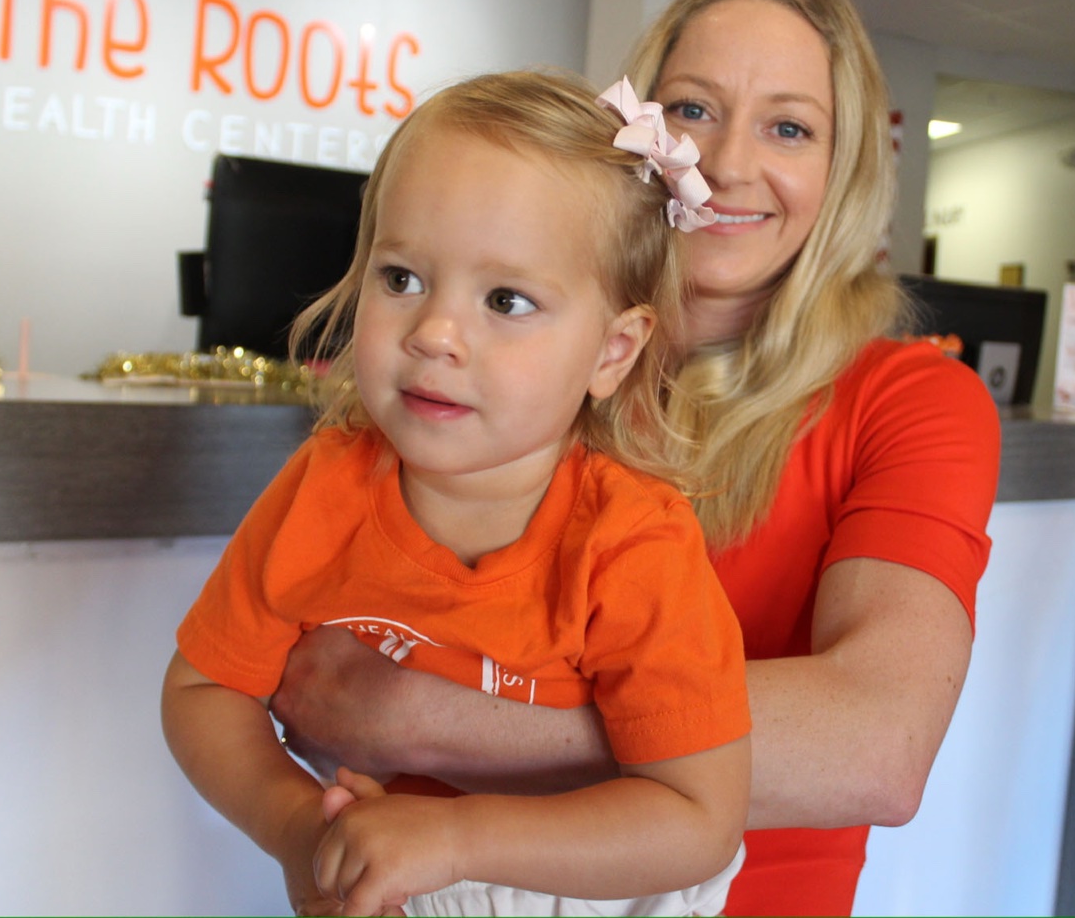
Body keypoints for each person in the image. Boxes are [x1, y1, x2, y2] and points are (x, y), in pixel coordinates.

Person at [269, 0, 1003, 916]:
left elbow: (876, 744)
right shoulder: (509, 356)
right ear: (632, 129)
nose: (729, 162)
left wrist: (434, 719)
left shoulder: (910, 401)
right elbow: (308, 658)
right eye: (692, 110)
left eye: (790, 126)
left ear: (847, 166)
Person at [161, 69, 754, 917]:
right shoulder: (324, 485)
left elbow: (700, 817)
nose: (435, 333)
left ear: (613, 353)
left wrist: (453, 840)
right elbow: (201, 690)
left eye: (506, 299)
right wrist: (305, 833)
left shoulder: (635, 543)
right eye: (401, 278)